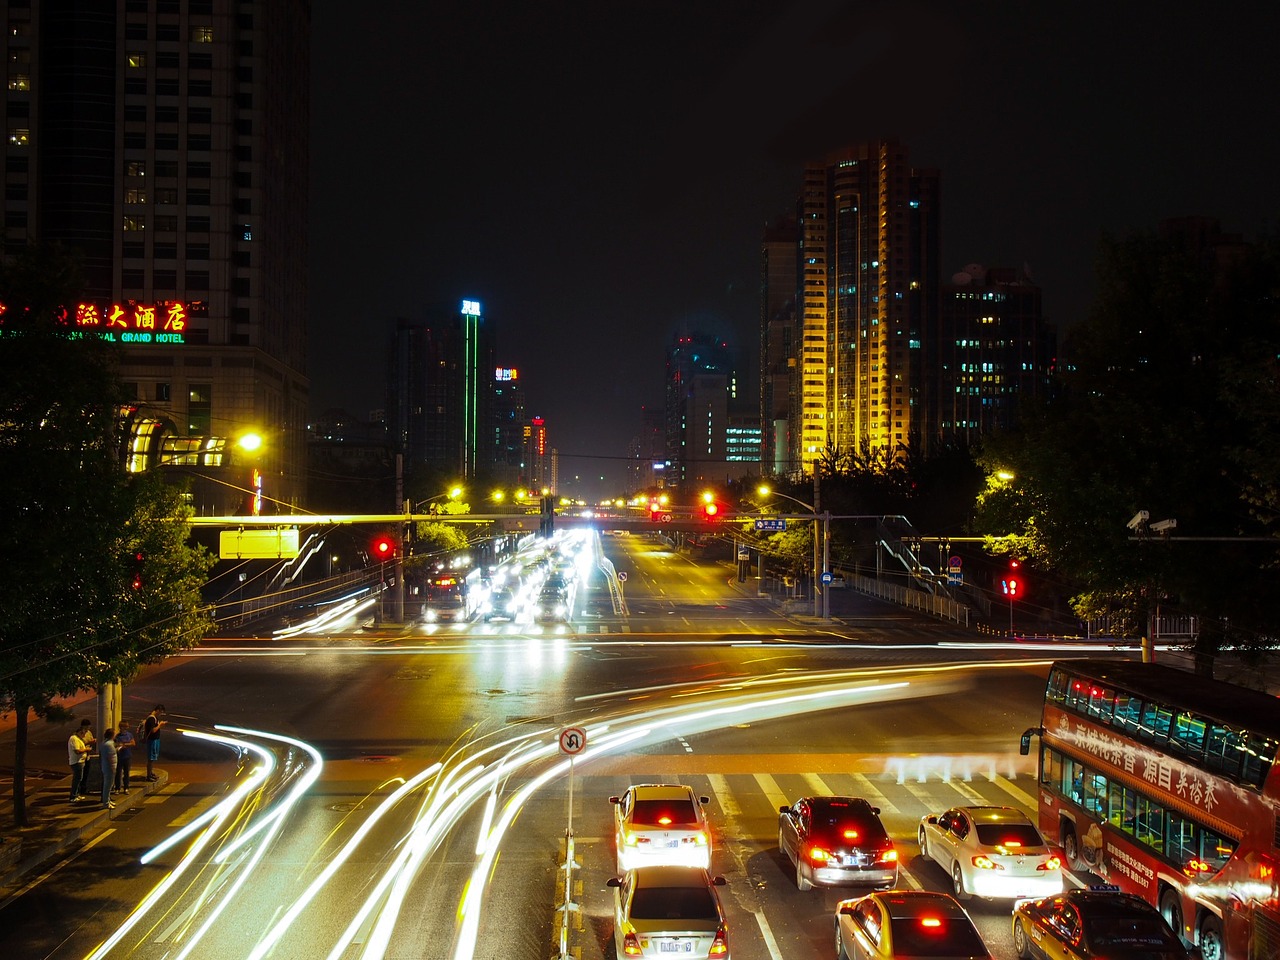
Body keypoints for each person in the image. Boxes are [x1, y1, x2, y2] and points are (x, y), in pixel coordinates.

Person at [67, 723, 92, 801]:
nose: (84, 736)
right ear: (80, 732)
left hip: (81, 761)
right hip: (77, 762)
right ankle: (73, 796)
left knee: (79, 779)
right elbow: (77, 751)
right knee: (77, 779)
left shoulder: (78, 739)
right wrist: (86, 750)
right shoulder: (74, 739)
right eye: (84, 734)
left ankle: (77, 794)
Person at [143, 704, 166, 781]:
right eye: (161, 712)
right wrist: (160, 725)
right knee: (151, 758)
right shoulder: (152, 719)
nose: (161, 714)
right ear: (157, 710)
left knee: (153, 758)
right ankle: (148, 776)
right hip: (152, 740)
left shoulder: (154, 718)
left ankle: (151, 773)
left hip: (155, 740)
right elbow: (153, 730)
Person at [113, 719, 136, 794]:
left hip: (127, 756)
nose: (126, 728)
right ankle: (117, 787)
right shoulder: (117, 736)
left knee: (126, 773)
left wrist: (124, 745)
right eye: (124, 727)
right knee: (118, 773)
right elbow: (115, 744)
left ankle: (126, 787)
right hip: (120, 756)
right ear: (121, 727)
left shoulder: (129, 735)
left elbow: (133, 743)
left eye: (127, 727)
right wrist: (120, 746)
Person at [99, 728, 118, 809]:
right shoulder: (109, 745)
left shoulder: (104, 743)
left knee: (108, 785)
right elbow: (111, 757)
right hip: (109, 768)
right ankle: (106, 803)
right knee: (108, 785)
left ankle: (108, 800)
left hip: (105, 766)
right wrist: (113, 768)